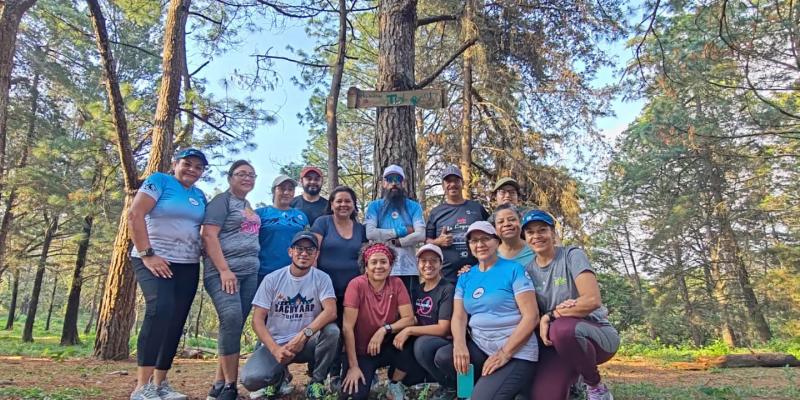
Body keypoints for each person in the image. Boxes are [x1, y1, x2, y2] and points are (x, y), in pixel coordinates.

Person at [127, 148, 208, 400]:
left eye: (198, 167)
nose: (192, 170)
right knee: (160, 310)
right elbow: (135, 214)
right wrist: (147, 253)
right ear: (175, 164)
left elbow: (202, 230)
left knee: (176, 319)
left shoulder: (199, 195)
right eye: (187, 164)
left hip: (187, 263)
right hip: (154, 258)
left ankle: (160, 383)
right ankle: (142, 387)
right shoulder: (159, 181)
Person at [433, 221, 539, 400]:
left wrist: (505, 353)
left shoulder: (514, 269)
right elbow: (459, 316)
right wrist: (460, 344)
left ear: (497, 241)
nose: (480, 244)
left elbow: (532, 316)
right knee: (444, 356)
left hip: (516, 351)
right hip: (482, 347)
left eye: (485, 239)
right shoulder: (466, 276)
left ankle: (511, 389)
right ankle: (486, 388)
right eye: (474, 241)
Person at [522, 210, 620, 400]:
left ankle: (595, 386)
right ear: (525, 238)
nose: (536, 236)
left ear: (553, 233)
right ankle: (575, 378)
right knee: (545, 396)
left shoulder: (571, 255)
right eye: (530, 232)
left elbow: (591, 300)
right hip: (554, 344)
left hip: (595, 334)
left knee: (563, 328)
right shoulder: (527, 271)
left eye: (542, 230)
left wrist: (551, 315)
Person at [240, 231, 339, 400]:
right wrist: (275, 349)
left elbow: (331, 311)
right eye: (299, 248)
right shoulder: (272, 279)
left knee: (332, 331)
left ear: (316, 254)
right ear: (290, 252)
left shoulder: (322, 278)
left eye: (310, 250)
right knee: (250, 379)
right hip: (278, 343)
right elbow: (257, 320)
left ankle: (317, 382)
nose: (304, 253)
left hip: (308, 342)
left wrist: (304, 335)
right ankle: (279, 378)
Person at [202, 160, 261, 400]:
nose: (247, 178)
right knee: (231, 318)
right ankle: (230, 386)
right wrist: (224, 270)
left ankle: (218, 384)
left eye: (251, 175)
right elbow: (208, 235)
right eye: (241, 174)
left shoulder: (247, 205)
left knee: (234, 325)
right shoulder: (221, 201)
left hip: (249, 274)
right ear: (230, 178)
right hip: (224, 273)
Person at [340, 243, 415, 400]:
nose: (379, 266)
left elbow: (409, 318)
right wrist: (353, 366)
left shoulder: (396, 283)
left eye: (383, 262)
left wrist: (384, 329)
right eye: (373, 262)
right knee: (355, 395)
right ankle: (362, 373)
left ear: (390, 265)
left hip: (387, 345)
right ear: (366, 267)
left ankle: (394, 383)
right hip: (362, 351)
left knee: (412, 341)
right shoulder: (356, 285)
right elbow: (347, 328)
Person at [310, 186, 367, 380]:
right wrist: (314, 282)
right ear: (332, 204)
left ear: (354, 205)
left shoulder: (360, 229)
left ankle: (349, 371)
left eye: (348, 201)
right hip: (326, 291)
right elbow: (314, 252)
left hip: (353, 291)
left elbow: (365, 259)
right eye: (339, 201)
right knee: (330, 331)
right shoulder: (323, 223)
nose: (343, 204)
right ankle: (326, 374)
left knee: (350, 330)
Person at [390, 244, 454, 399]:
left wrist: (409, 330)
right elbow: (413, 318)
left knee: (419, 343)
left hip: (442, 342)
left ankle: (450, 385)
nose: (428, 265)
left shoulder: (447, 289)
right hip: (420, 339)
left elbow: (443, 328)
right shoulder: (417, 289)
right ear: (418, 264)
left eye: (433, 261)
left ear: (441, 264)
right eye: (423, 261)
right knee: (401, 344)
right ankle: (394, 384)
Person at [365, 164, 425, 295]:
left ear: (403, 183)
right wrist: (402, 231)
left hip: (408, 269)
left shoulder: (414, 207)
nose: (393, 184)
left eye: (397, 179)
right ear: (383, 183)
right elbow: (370, 233)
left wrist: (399, 242)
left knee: (409, 306)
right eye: (389, 180)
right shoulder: (374, 206)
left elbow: (421, 235)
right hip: (381, 269)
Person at [426, 165, 489, 284]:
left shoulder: (477, 208)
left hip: (477, 271)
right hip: (446, 276)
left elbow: (492, 235)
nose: (452, 184)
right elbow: (426, 241)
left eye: (456, 180)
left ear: (462, 183)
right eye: (448, 181)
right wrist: (438, 242)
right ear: (443, 185)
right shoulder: (436, 212)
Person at [256, 175, 310, 282]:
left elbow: (308, 244)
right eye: (282, 188)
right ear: (273, 191)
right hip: (264, 273)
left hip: (294, 273)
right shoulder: (259, 214)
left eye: (290, 189)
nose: (286, 192)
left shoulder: (302, 216)